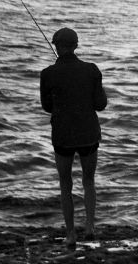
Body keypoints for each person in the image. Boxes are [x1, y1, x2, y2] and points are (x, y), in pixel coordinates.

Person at [40, 27, 108, 246]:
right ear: (76, 46)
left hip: (62, 136)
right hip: (88, 134)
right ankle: (89, 227)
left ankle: (70, 234)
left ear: (56, 47)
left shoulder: (47, 74)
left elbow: (47, 107)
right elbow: (101, 104)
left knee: (65, 184)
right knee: (89, 181)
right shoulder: (92, 70)